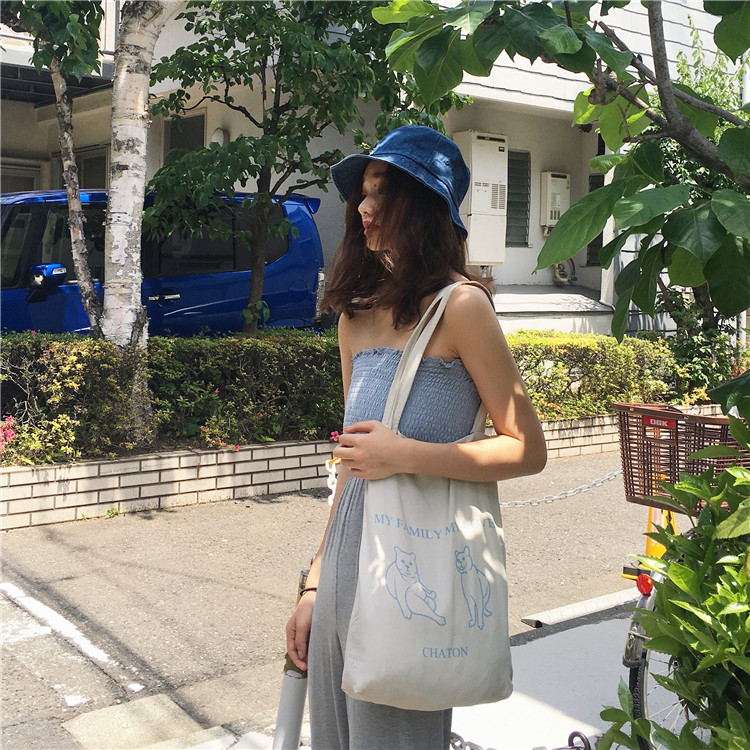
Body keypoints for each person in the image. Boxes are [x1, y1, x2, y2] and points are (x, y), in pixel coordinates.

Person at [286, 125, 547, 749]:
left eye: (383, 192)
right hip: (344, 563)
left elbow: (526, 447)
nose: (364, 207)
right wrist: (314, 583)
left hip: (414, 572)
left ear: (425, 208)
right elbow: (351, 466)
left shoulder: (462, 307)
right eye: (363, 193)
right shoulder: (355, 317)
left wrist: (404, 455)